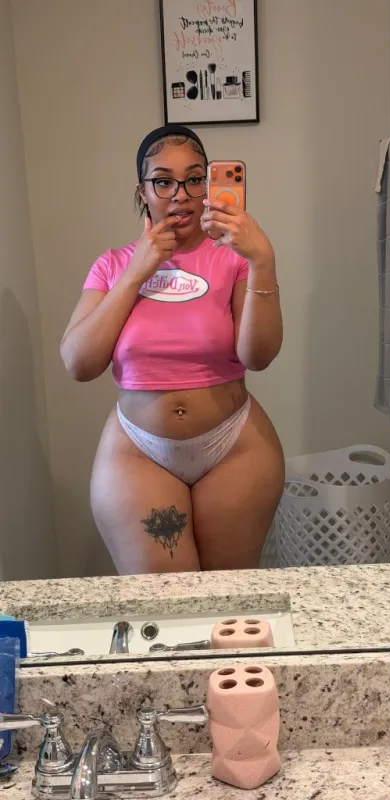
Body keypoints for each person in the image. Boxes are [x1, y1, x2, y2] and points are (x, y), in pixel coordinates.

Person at [61, 124, 284, 574]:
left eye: (195, 179)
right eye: (163, 181)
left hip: (235, 448)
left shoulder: (235, 258)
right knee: (163, 602)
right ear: (142, 192)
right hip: (138, 451)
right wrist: (136, 273)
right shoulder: (112, 264)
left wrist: (262, 262)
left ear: (208, 185)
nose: (181, 195)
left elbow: (257, 357)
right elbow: (79, 363)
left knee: (228, 597)